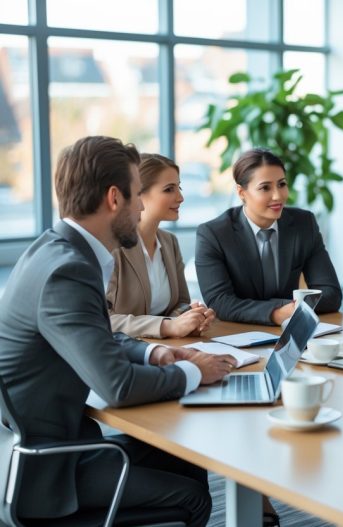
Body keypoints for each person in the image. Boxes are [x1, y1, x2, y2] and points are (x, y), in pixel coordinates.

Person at [0, 136, 237, 526]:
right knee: (194, 496)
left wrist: (154, 353)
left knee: (185, 461)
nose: (143, 205)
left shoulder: (53, 248)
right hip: (48, 470)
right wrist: (197, 371)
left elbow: (95, 334)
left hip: (52, 444)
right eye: (136, 195)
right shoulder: (68, 271)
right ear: (115, 198)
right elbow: (118, 387)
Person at [196, 148, 342, 326]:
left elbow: (331, 294)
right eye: (265, 187)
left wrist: (287, 309)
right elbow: (220, 302)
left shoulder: (304, 224)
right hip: (236, 333)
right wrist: (276, 312)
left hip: (289, 332)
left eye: (282, 184)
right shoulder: (214, 234)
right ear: (242, 192)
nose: (278, 196)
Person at [107, 153, 215, 338]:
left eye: (179, 187)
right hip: (125, 353)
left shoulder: (169, 242)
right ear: (138, 193)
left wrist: (192, 316)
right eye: (169, 189)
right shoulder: (112, 247)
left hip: (167, 348)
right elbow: (103, 319)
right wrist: (166, 327)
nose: (180, 197)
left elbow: (178, 304)